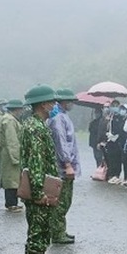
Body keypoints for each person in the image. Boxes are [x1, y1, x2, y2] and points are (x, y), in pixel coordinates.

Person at [20, 84, 60, 254]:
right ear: (44, 104)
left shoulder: (35, 125)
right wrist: (39, 194)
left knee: (40, 234)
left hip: (41, 188)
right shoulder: (35, 128)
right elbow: (35, 163)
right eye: (52, 102)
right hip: (39, 191)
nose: (55, 105)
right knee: (37, 235)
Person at [48, 88, 81, 244]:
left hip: (65, 165)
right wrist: (67, 164)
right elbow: (61, 143)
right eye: (70, 101)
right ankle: (57, 232)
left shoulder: (61, 116)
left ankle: (60, 229)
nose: (72, 104)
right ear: (64, 102)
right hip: (62, 167)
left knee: (65, 200)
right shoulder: (58, 118)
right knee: (62, 200)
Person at [0, 99, 25, 212]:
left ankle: (13, 202)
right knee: (11, 179)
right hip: (10, 153)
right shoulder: (9, 120)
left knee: (13, 178)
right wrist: (15, 157)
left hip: (10, 152)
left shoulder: (10, 119)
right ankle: (11, 203)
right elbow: (12, 140)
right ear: (17, 109)